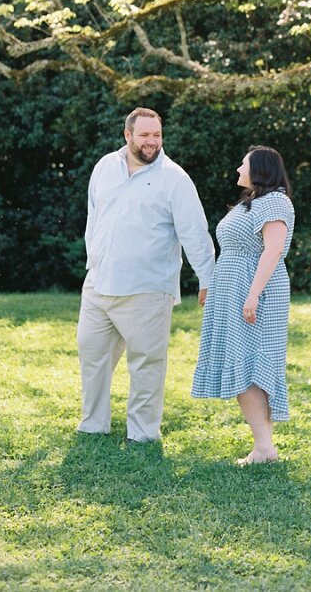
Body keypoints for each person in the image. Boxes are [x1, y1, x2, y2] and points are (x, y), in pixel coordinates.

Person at [76, 107, 215, 443]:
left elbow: (195, 233)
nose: (152, 142)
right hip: (98, 284)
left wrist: (208, 279)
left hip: (147, 289)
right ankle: (93, 424)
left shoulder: (175, 179)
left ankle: (143, 433)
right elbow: (94, 218)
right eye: (144, 135)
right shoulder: (105, 167)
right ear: (128, 136)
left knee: (146, 365)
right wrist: (93, 260)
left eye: (157, 135)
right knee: (92, 356)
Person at [192, 145, 295, 464]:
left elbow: (273, 250)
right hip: (233, 289)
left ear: (260, 169)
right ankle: (264, 446)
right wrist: (212, 284)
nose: (238, 168)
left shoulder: (276, 201)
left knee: (249, 364)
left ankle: (264, 448)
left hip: (254, 292)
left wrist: (252, 295)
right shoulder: (254, 202)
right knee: (244, 363)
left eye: (244, 164)